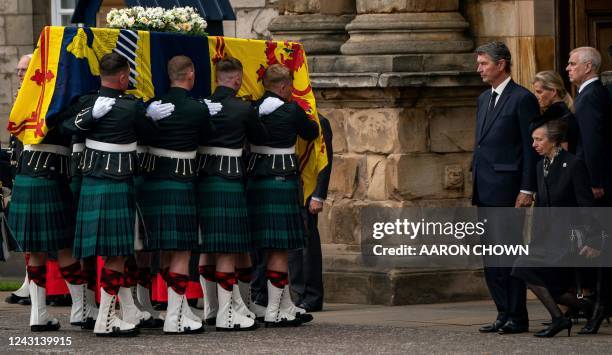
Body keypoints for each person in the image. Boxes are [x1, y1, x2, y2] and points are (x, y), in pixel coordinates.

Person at [68, 52, 173, 336]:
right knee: (116, 254)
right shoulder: (130, 108)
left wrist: (90, 115)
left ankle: (126, 311)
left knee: (115, 254)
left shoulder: (87, 102)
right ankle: (106, 319)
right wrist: (149, 116)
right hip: (116, 184)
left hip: (92, 182)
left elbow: (69, 128)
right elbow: (151, 135)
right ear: (123, 77)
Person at [139, 55, 215, 334]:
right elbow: (209, 137)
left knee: (165, 249)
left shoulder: (153, 106)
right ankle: (174, 316)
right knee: (182, 249)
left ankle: (179, 308)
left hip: (153, 182)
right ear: (191, 74)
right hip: (181, 182)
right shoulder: (197, 109)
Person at [472, 42, 539, 335]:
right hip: (485, 188)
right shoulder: (483, 99)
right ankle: (502, 312)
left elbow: (529, 148)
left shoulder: (522, 98)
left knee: (508, 253)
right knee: (491, 256)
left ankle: (517, 315)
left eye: (484, 63)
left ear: (501, 64)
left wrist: (527, 188)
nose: (479, 69)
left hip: (509, 189)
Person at [197, 57, 266, 331]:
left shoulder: (202, 106)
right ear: (237, 79)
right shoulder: (242, 108)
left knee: (208, 245)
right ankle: (228, 312)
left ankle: (211, 308)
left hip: (202, 180)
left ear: (217, 78)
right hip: (229, 179)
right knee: (228, 246)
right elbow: (261, 137)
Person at [247, 64, 319, 327]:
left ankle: (285, 302)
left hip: (255, 179)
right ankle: (275, 310)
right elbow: (311, 132)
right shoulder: (290, 110)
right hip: (282, 180)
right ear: (284, 86)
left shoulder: (252, 109)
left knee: (264, 243)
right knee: (279, 246)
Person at [512, 112, 595, 337]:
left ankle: (561, 318)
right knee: (531, 274)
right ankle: (586, 308)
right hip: (548, 238)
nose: (534, 144)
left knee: (525, 268)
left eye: (539, 139)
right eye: (533, 140)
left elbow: (587, 206)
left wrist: (593, 240)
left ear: (554, 140)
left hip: (570, 239)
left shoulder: (574, 164)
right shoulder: (541, 167)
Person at [6, 54, 72, 308]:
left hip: (44, 173)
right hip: (28, 172)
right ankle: (50, 303)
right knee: (37, 245)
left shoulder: (46, 100)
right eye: (19, 69)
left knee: (52, 245)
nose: (21, 74)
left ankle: (52, 301)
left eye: (26, 69)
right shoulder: (26, 100)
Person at [566, 46, 612, 334]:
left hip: (593, 184)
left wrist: (594, 181)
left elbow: (593, 143)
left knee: (597, 245)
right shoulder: (590, 94)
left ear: (588, 67)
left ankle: (600, 305)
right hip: (592, 180)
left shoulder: (590, 96)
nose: (568, 68)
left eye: (572, 64)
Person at [288, 113, 333, 312]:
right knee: (292, 248)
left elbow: (324, 161)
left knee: (308, 246)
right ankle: (297, 294)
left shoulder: (319, 121)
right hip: (290, 189)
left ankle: (312, 296)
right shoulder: (287, 115)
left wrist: (318, 195)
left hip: (308, 190)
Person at [531, 71, 578, 154]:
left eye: (539, 92)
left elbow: (563, 152)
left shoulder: (558, 117)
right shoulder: (560, 113)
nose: (535, 96)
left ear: (553, 92)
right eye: (535, 92)